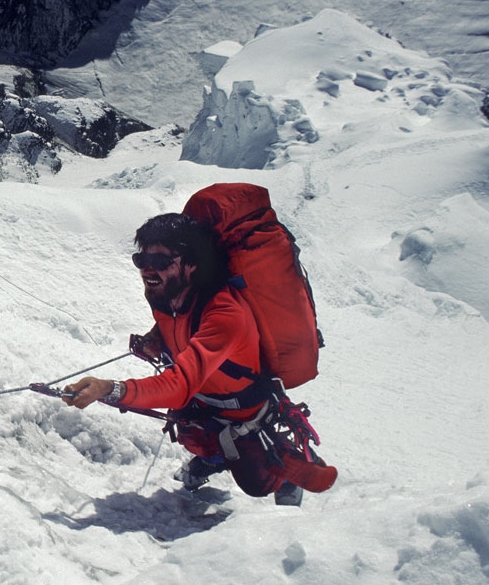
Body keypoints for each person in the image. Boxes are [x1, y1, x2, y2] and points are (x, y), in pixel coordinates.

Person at [63, 213, 337, 504]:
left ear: (191, 263)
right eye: (142, 261)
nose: (148, 270)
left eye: (162, 262)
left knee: (256, 484)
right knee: (193, 435)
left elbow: (180, 384)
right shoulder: (166, 295)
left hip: (243, 410)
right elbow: (179, 327)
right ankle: (216, 456)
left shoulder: (226, 314)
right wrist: (158, 340)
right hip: (203, 398)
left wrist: (110, 389)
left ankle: (283, 468)